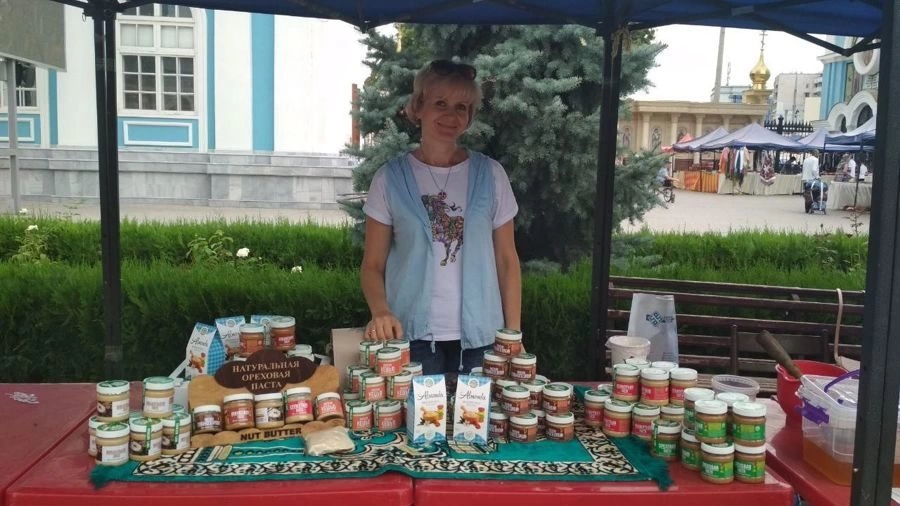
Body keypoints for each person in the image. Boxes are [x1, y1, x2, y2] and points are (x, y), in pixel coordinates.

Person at [360, 59, 522, 376]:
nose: (451, 115)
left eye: (462, 107)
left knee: (479, 425)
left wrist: (512, 335)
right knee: (417, 426)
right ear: (418, 107)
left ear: (470, 116)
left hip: (482, 342)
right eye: (440, 104)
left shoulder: (491, 175)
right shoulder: (390, 179)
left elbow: (507, 260)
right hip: (412, 339)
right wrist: (380, 312)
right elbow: (372, 265)